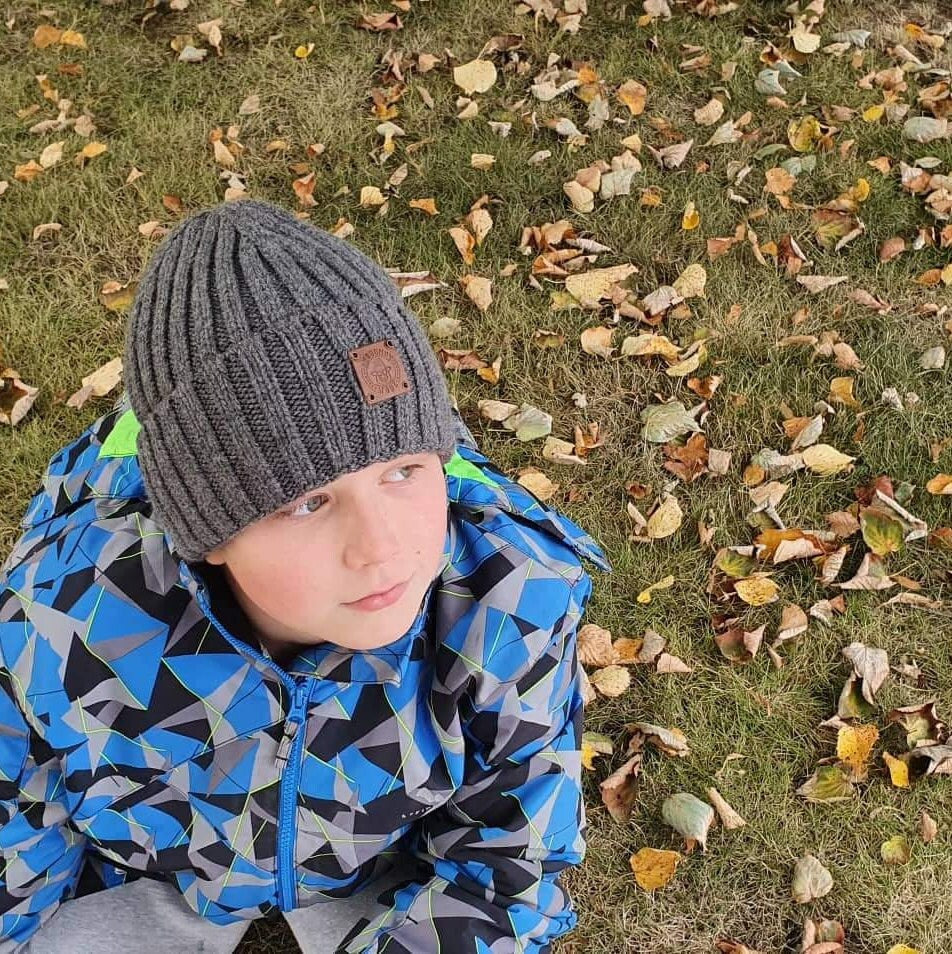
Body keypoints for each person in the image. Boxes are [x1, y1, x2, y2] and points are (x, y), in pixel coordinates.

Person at [0, 199, 611, 954]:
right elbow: (15, 827)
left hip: (379, 869)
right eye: (308, 503)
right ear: (207, 532)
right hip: (157, 872)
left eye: (406, 470)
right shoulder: (66, 623)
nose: (380, 547)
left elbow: (508, 871)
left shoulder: (507, 609)